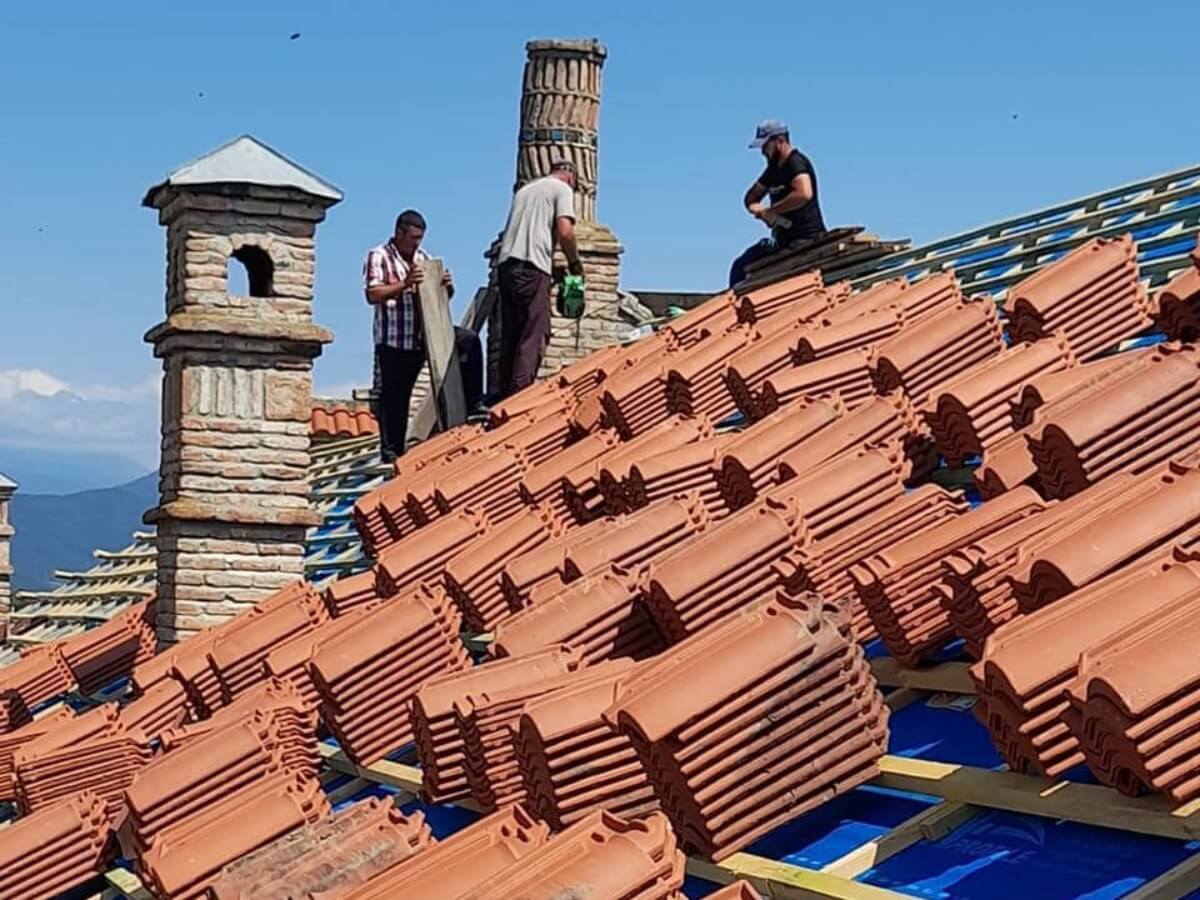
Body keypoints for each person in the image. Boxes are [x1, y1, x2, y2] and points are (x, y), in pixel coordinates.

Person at [363, 210, 483, 462]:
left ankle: (475, 405)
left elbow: (439, 298)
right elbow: (372, 294)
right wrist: (404, 284)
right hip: (395, 340)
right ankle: (392, 454)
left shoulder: (424, 257)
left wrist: (446, 286)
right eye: (413, 237)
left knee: (468, 341)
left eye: (420, 238)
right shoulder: (379, 256)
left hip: (426, 333)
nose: (417, 243)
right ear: (399, 233)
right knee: (395, 398)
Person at [495, 158, 584, 397]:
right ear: (571, 177)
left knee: (512, 332)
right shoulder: (561, 189)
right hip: (532, 267)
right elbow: (565, 231)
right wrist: (574, 263)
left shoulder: (525, 191)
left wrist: (553, 268)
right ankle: (518, 396)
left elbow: (529, 234)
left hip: (506, 268)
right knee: (535, 330)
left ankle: (503, 393)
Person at [728, 119, 828, 288]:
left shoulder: (796, 163)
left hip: (805, 240)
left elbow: (804, 193)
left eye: (765, 146)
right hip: (783, 241)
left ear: (780, 141)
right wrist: (756, 208)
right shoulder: (773, 170)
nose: (763, 152)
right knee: (740, 267)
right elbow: (751, 197)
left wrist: (772, 211)